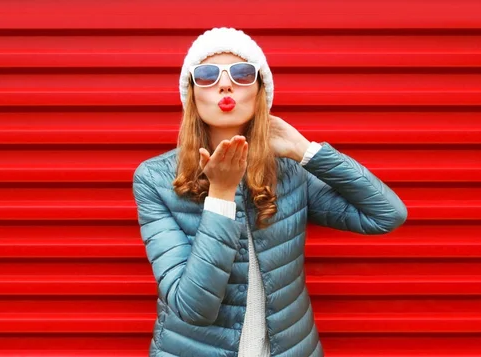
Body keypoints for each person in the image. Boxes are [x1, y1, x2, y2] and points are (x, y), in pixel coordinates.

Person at [133, 27, 407, 357]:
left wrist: (306, 151)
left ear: (261, 89)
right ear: (191, 94)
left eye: (242, 72)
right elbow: (194, 309)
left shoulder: (289, 171)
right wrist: (220, 195)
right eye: (206, 75)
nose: (225, 84)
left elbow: (387, 214)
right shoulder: (155, 179)